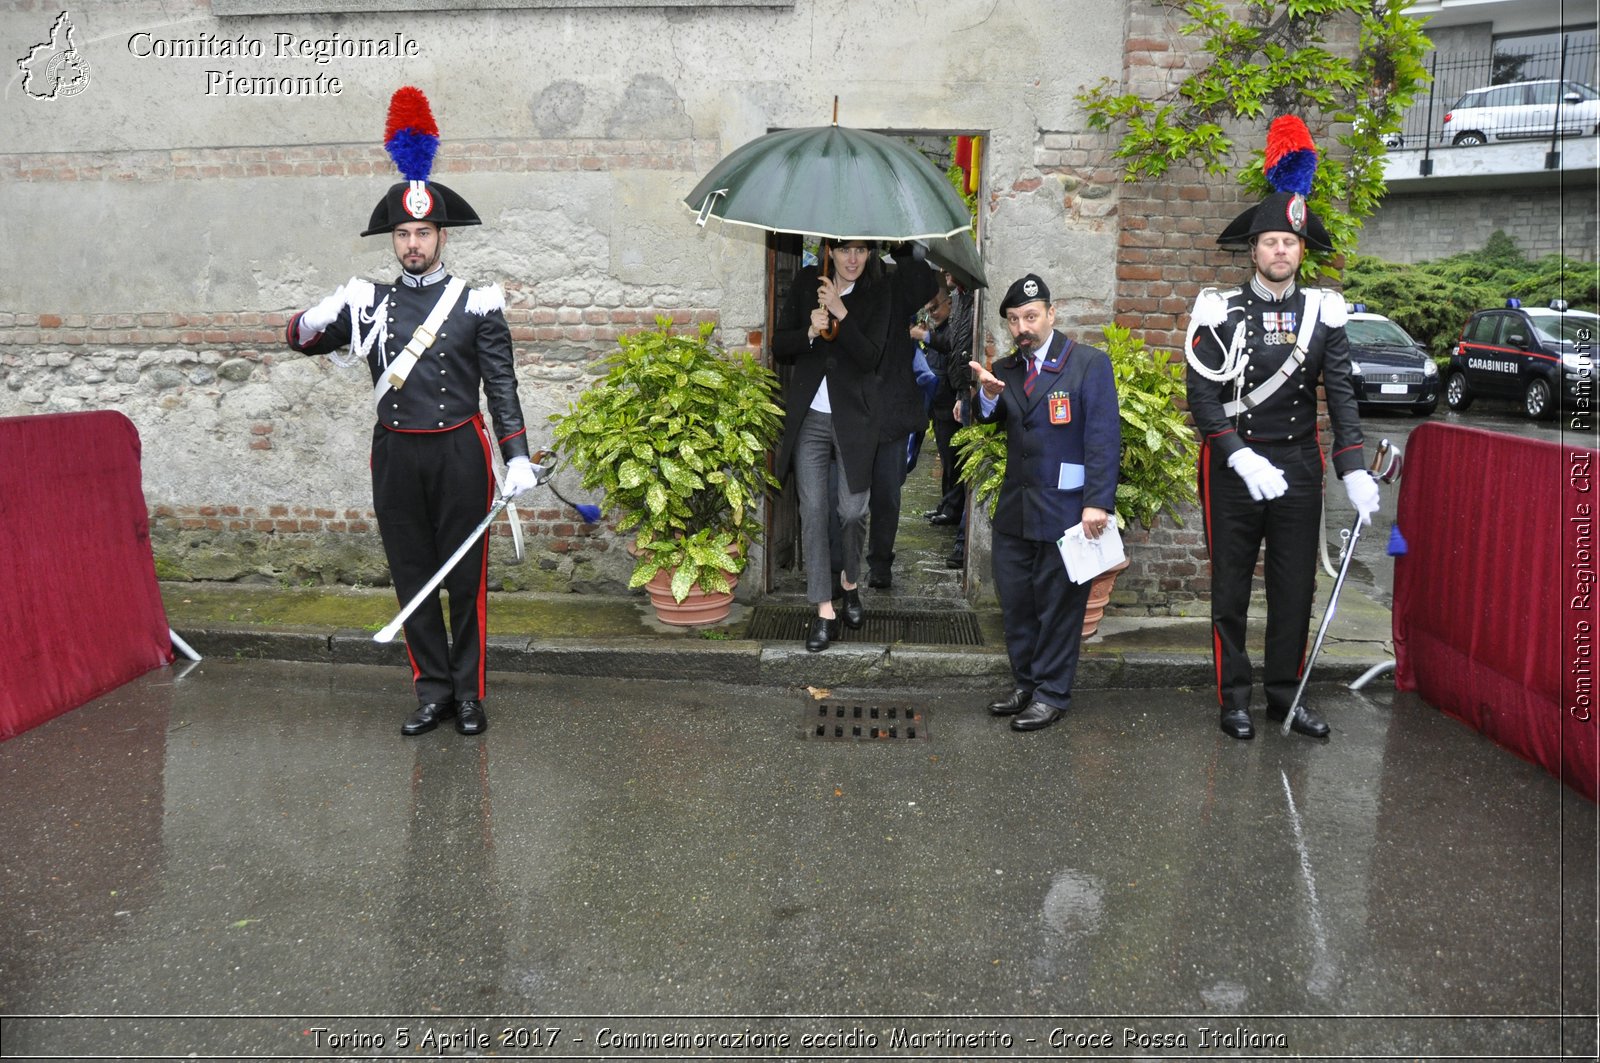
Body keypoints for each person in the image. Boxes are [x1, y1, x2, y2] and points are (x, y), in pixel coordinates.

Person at [285, 87, 540, 737]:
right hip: (396, 453)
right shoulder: (368, 303)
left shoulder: (477, 302)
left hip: (458, 450)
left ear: (441, 235)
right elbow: (302, 338)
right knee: (413, 573)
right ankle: (432, 691)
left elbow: (501, 382)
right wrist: (312, 317)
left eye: (423, 232)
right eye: (403, 233)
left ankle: (470, 693)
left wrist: (516, 456)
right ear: (393, 241)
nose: (413, 243)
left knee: (463, 580)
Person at [1183, 115, 1380, 742]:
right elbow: (1203, 395)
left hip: (1296, 465)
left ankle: (1285, 696)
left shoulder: (1325, 311)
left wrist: (1351, 466)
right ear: (1254, 248)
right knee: (1231, 587)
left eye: (1290, 244)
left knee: (1295, 588)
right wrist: (1238, 455)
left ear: (1302, 250)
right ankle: (1233, 697)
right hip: (1236, 467)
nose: (1280, 252)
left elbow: (1341, 391)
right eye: (1271, 241)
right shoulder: (1221, 307)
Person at [968, 274, 1120, 732]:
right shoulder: (1008, 369)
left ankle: (1052, 693)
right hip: (1017, 508)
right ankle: (1027, 684)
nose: (1022, 327)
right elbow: (985, 418)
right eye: (1014, 320)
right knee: (1015, 601)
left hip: (1066, 511)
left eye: (1030, 317)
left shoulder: (1088, 364)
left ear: (1051, 315)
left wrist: (1097, 501)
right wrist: (987, 396)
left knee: (1058, 606)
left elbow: (1102, 438)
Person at [772, 240, 891, 651]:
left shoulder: (878, 292)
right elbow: (779, 345)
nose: (853, 259)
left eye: (861, 251)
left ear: (871, 255)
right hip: (811, 419)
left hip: (855, 419)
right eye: (844, 251)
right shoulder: (809, 282)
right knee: (814, 511)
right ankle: (824, 609)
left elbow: (872, 356)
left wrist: (842, 314)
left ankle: (850, 581)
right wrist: (809, 330)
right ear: (830, 251)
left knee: (853, 511)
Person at [863, 246, 940, 588]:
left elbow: (923, 286)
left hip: (891, 410)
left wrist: (905, 250)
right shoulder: (834, 293)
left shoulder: (896, 288)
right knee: (845, 500)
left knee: (887, 494)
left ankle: (881, 562)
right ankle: (840, 568)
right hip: (849, 408)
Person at [914, 275, 975, 569]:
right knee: (949, 461)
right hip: (944, 400)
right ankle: (947, 506)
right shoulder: (960, 305)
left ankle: (954, 513)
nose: (932, 313)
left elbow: (955, 347)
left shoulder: (967, 305)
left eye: (935, 308)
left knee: (957, 462)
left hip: (954, 396)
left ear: (949, 304)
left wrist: (925, 337)